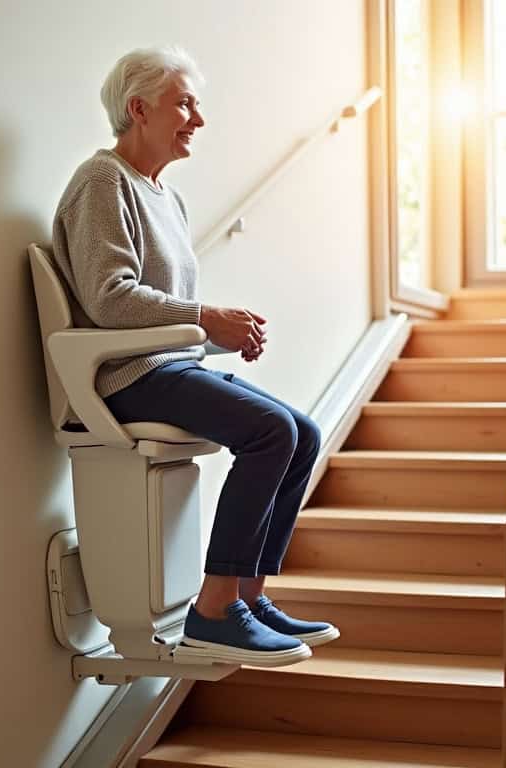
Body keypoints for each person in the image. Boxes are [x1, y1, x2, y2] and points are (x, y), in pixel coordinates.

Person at [49, 46, 337, 667]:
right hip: (124, 376)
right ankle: (214, 612)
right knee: (269, 432)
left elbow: (162, 311)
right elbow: (110, 298)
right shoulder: (103, 181)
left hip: (168, 364)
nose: (197, 120)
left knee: (304, 433)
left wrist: (218, 332)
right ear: (138, 109)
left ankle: (249, 601)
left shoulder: (166, 200)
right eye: (184, 104)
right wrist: (207, 318)